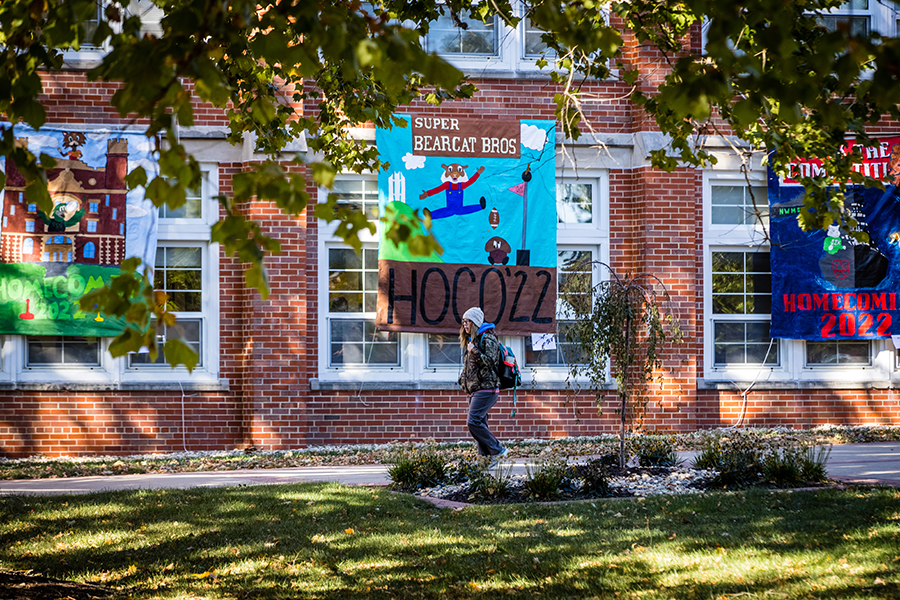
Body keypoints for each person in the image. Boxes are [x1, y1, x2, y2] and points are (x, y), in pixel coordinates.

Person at [458, 306, 508, 467]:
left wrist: (474, 352)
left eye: (468, 322)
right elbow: (471, 368)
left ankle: (498, 449)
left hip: (487, 389)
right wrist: (462, 380)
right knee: (480, 424)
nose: (465, 325)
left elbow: (490, 363)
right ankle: (485, 461)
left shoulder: (488, 339)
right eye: (463, 322)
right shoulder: (473, 340)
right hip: (474, 389)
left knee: (473, 422)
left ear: (476, 322)